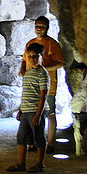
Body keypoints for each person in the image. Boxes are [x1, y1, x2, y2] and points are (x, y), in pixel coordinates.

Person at [8, 40, 49, 172]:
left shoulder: (43, 74)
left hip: (36, 110)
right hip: (26, 110)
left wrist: (38, 114)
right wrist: (20, 109)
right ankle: (21, 163)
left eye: (36, 56)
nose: (33, 59)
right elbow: (25, 92)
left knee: (39, 138)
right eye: (30, 56)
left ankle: (40, 164)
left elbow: (43, 96)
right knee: (22, 137)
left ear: (41, 57)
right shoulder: (28, 73)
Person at [32, 15, 65, 152]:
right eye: (37, 26)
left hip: (48, 85)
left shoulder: (52, 44)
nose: (39, 29)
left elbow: (61, 62)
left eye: (42, 27)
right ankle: (36, 142)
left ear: (47, 28)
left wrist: (45, 69)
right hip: (34, 85)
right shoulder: (31, 43)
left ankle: (50, 144)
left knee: (50, 114)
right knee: (34, 114)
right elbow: (25, 61)